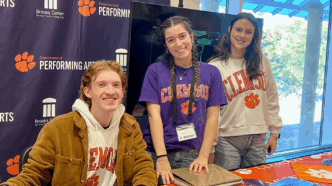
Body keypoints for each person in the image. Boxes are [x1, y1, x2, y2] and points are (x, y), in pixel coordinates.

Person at [1, 60, 157, 186]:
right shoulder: (58, 128)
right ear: (87, 92)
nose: (110, 91)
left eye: (116, 85)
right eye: (101, 85)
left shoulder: (129, 125)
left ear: (123, 92)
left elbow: (142, 166)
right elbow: (33, 175)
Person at [138, 16, 227, 185]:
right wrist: (162, 158)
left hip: (192, 153)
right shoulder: (155, 71)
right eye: (171, 40)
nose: (178, 44)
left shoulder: (211, 72)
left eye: (182, 36)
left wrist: (203, 156)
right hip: (156, 151)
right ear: (166, 46)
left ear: (191, 37)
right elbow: (153, 115)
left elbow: (213, 117)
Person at [207, 12, 283, 170]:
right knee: (229, 182)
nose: (242, 35)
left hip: (258, 138)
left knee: (256, 181)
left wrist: (274, 133)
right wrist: (211, 147)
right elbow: (211, 112)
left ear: (254, 35)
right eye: (238, 30)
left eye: (248, 32)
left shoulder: (262, 62)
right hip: (226, 139)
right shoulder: (215, 67)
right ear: (230, 30)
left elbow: (272, 98)